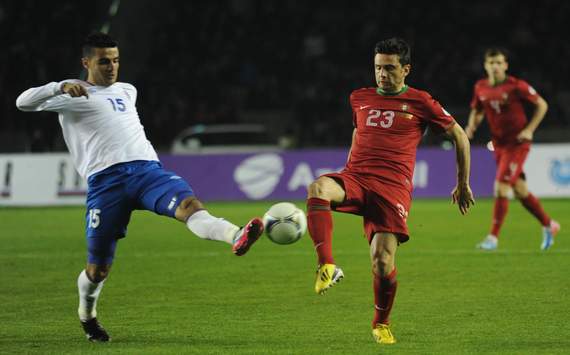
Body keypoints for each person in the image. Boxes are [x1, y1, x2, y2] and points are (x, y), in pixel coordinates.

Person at [15, 32, 264, 342]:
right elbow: (22, 102)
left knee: (189, 207)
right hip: (106, 184)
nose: (112, 67)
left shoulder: (127, 90)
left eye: (116, 60)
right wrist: (58, 86)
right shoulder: (71, 95)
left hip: (147, 171)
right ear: (86, 62)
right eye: (104, 61)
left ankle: (236, 235)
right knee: (97, 271)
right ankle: (87, 314)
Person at [305, 38, 474, 345]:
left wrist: (462, 183)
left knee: (382, 262)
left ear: (405, 69)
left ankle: (381, 323)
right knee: (318, 188)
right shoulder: (359, 97)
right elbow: (358, 131)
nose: (382, 74)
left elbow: (460, 135)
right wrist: (349, 166)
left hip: (391, 189)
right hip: (356, 177)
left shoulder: (421, 101)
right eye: (378, 68)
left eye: (390, 68)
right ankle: (327, 264)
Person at [465, 48, 560, 251]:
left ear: (506, 65)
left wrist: (529, 130)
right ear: (486, 65)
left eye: (499, 63)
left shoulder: (516, 86)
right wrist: (471, 125)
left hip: (517, 144)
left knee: (500, 187)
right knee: (520, 190)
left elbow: (542, 105)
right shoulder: (480, 87)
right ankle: (549, 224)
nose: (496, 66)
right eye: (492, 63)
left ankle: (492, 238)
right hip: (499, 145)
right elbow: (478, 110)